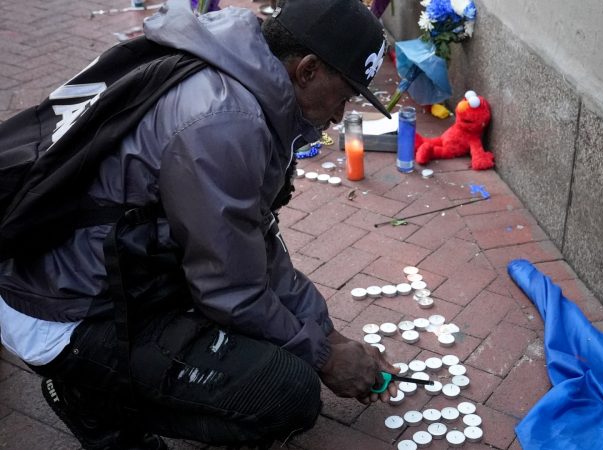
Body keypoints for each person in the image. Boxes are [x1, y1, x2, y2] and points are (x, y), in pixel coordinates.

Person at [0, 0, 396, 448]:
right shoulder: (227, 121)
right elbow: (230, 287)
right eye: (343, 95)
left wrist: (327, 334)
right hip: (68, 309)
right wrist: (325, 357)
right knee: (287, 393)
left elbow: (252, 242)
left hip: (103, 272)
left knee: (287, 343)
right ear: (306, 71)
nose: (340, 114)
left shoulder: (239, 71)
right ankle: (91, 399)